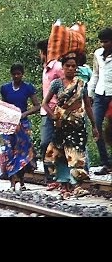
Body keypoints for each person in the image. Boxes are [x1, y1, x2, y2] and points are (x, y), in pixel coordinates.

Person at [42, 53, 99, 198]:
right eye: (67, 65)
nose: (70, 68)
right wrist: (54, 116)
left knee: (77, 154)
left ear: (76, 68)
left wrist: (94, 126)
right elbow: (45, 103)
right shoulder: (57, 84)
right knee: (60, 154)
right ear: (63, 67)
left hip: (77, 123)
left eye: (73, 66)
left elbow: (87, 106)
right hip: (61, 124)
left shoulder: (81, 84)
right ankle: (64, 185)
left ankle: (77, 185)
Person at [0, 63, 40, 192]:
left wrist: (24, 114)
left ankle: (22, 181)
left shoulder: (28, 88)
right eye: (14, 74)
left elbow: (37, 106)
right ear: (11, 75)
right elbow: (3, 104)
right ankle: (12, 182)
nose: (17, 76)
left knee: (23, 153)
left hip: (23, 124)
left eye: (19, 74)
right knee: (10, 151)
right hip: (9, 124)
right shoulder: (5, 88)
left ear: (22, 74)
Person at [36, 39, 64, 190]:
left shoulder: (58, 67)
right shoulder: (45, 68)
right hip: (46, 111)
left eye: (40, 52)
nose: (39, 55)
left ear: (45, 52)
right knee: (45, 143)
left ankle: (59, 176)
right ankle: (49, 176)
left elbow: (65, 85)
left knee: (58, 143)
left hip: (58, 111)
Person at [88, 27, 112, 175]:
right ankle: (105, 162)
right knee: (95, 126)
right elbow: (96, 74)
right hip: (99, 93)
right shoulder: (97, 54)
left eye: (106, 41)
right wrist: (90, 93)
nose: (103, 44)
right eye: (102, 42)